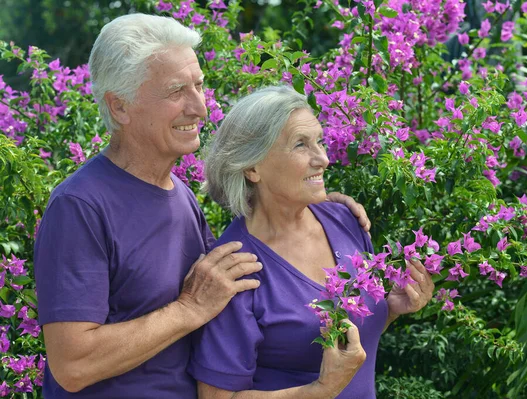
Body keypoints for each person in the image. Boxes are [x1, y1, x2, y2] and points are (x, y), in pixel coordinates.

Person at [33, 14, 370, 399]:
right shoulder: (79, 207)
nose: (200, 107)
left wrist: (318, 205)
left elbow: (243, 284)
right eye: (177, 91)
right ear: (120, 107)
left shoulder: (179, 194)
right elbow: (72, 365)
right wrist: (187, 310)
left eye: (199, 85)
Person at [188, 86, 434, 398]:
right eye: (301, 145)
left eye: (318, 141)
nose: (324, 159)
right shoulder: (234, 270)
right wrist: (321, 390)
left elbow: (348, 345)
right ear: (252, 167)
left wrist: (392, 309)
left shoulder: (345, 221)